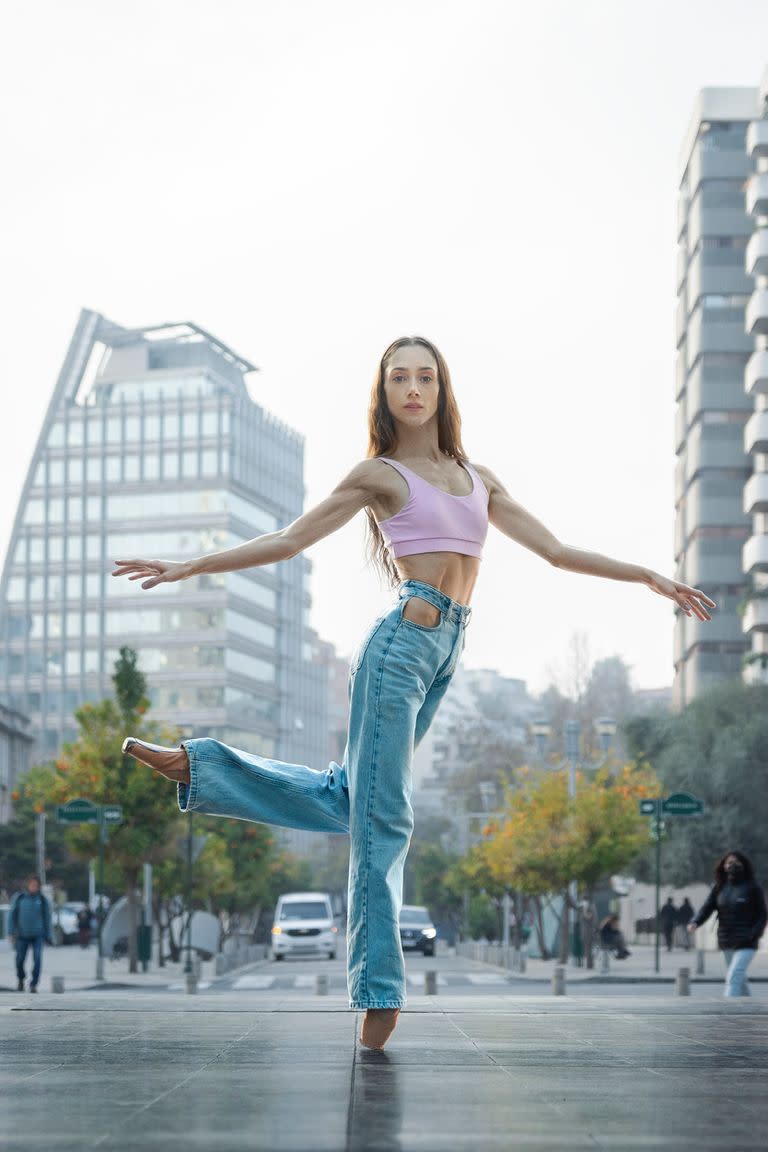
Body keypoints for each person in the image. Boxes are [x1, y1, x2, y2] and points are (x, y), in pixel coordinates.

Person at [111, 335, 715, 1048]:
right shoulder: (380, 474)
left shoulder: (477, 477)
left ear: (442, 388)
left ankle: (201, 766)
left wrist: (648, 574)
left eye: (425, 376)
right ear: (385, 391)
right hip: (400, 646)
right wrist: (188, 567)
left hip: (444, 653)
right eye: (399, 377)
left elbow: (556, 552)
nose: (413, 388)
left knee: (354, 799)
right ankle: (378, 995)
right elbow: (287, 540)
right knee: (385, 817)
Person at [687, 851, 767, 997]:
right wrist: (695, 922)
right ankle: (749, 1007)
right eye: (729, 862)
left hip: (747, 942)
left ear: (744, 865)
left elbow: (762, 915)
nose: (733, 865)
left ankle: (728, 1011)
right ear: (724, 866)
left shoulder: (753, 887)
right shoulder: (719, 888)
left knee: (733, 976)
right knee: (739, 977)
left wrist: (753, 934)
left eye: (737, 862)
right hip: (726, 940)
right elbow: (707, 908)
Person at [8, 875, 54, 993]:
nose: (34, 887)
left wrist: (49, 936)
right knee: (19, 959)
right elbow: (11, 916)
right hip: (22, 935)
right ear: (27, 885)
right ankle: (21, 979)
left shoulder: (43, 900)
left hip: (38, 935)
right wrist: (11, 932)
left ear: (39, 887)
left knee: (37, 958)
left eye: (36, 885)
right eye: (32, 884)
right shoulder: (19, 898)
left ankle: (33, 984)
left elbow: (47, 919)